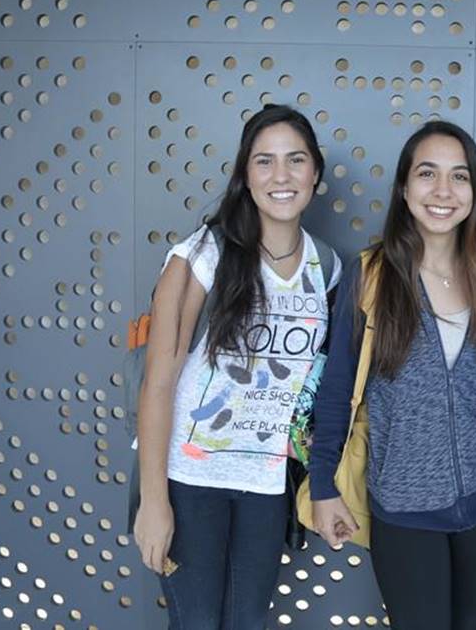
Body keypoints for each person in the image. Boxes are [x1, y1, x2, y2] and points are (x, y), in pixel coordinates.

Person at [132, 104, 341, 629]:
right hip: (189, 480)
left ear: (315, 172)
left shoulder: (328, 267)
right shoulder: (202, 254)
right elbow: (157, 385)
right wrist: (154, 503)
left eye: (296, 160)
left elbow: (314, 384)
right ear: (245, 176)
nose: (282, 176)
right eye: (264, 161)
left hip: (265, 487)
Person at [309, 121, 476, 630]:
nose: (443, 191)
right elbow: (337, 390)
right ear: (403, 187)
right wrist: (323, 485)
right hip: (403, 505)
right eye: (427, 174)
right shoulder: (372, 273)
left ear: (474, 192)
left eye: (459, 176)